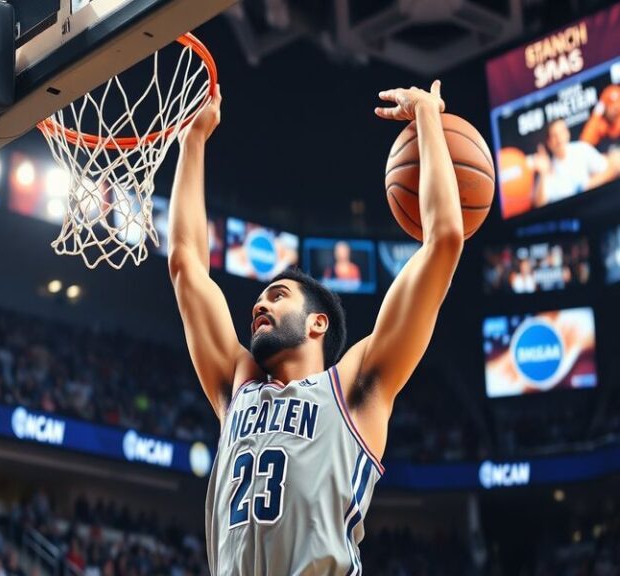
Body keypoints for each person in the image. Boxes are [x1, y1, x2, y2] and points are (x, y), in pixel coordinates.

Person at [168, 80, 466, 574]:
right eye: (260, 300)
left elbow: (445, 241)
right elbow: (185, 265)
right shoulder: (237, 386)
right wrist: (192, 142)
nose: (259, 305)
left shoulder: (355, 388)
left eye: (277, 296)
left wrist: (428, 118)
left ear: (317, 323)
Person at [531, 119, 619, 207]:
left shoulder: (581, 149)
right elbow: (539, 204)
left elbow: (609, 169)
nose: (559, 139)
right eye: (554, 135)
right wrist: (543, 174)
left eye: (561, 132)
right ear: (549, 142)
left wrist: (586, 187)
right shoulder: (546, 169)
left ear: (567, 133)